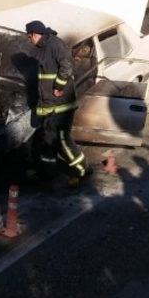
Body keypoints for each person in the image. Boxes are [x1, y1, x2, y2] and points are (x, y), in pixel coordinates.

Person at [25, 19, 90, 184]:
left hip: (62, 106)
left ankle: (82, 171)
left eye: (29, 37)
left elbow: (66, 67)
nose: (28, 40)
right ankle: (47, 174)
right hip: (50, 104)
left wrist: (58, 86)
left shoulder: (55, 45)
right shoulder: (42, 48)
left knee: (62, 141)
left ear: (34, 34)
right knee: (47, 140)